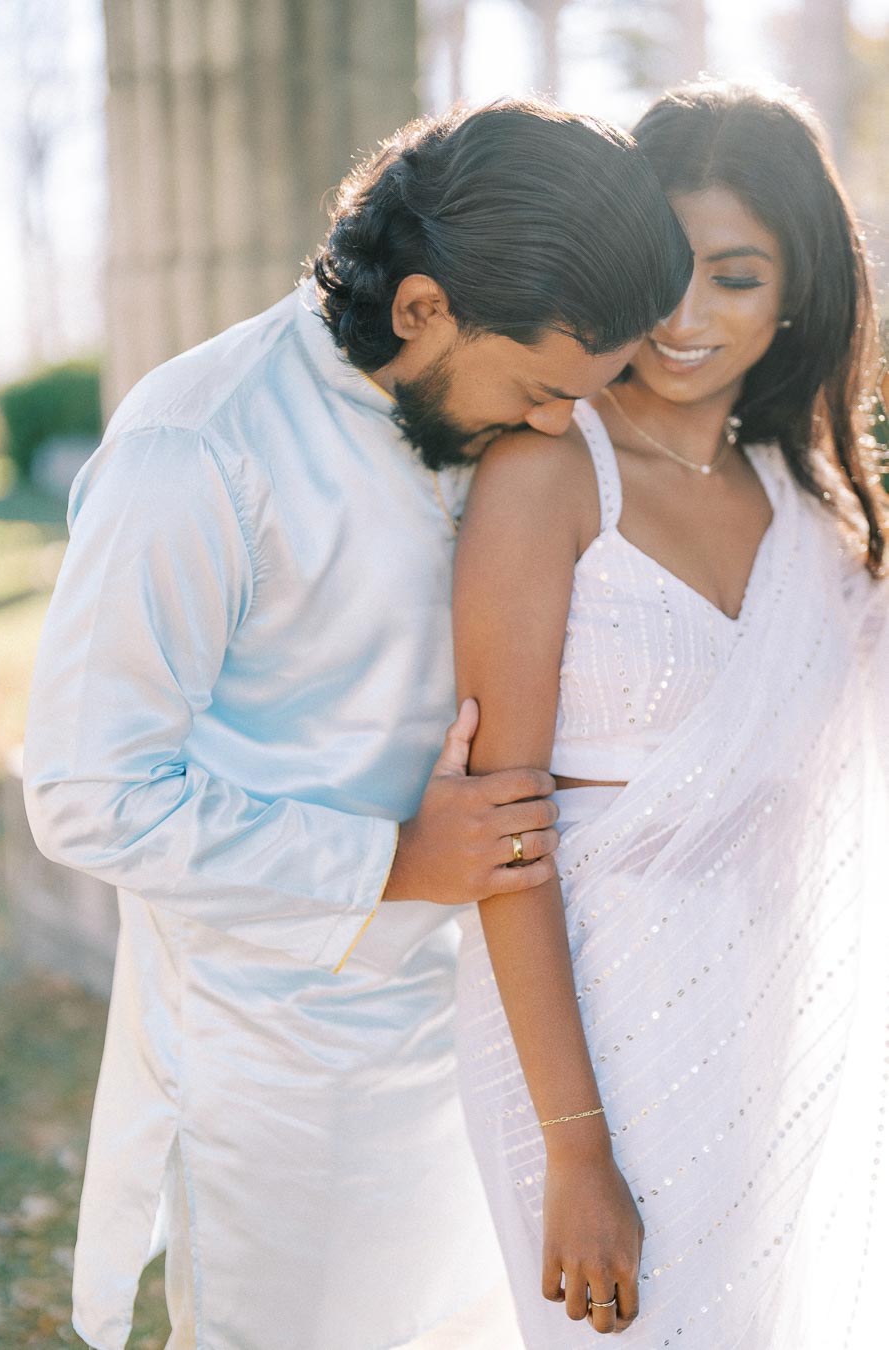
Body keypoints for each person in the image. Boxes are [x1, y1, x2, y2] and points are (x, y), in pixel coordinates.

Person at [22, 99, 692, 1350]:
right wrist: (390, 860)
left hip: (499, 1031)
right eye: (544, 391)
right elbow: (85, 792)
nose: (559, 429)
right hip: (290, 1069)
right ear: (424, 308)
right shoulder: (196, 448)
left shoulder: (491, 422)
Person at [453, 82, 889, 1348]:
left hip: (785, 1005)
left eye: (738, 275)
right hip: (592, 1034)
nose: (689, 319)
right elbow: (503, 829)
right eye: (666, 271)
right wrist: (577, 1152)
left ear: (800, 284)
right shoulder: (547, 472)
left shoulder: (816, 509)